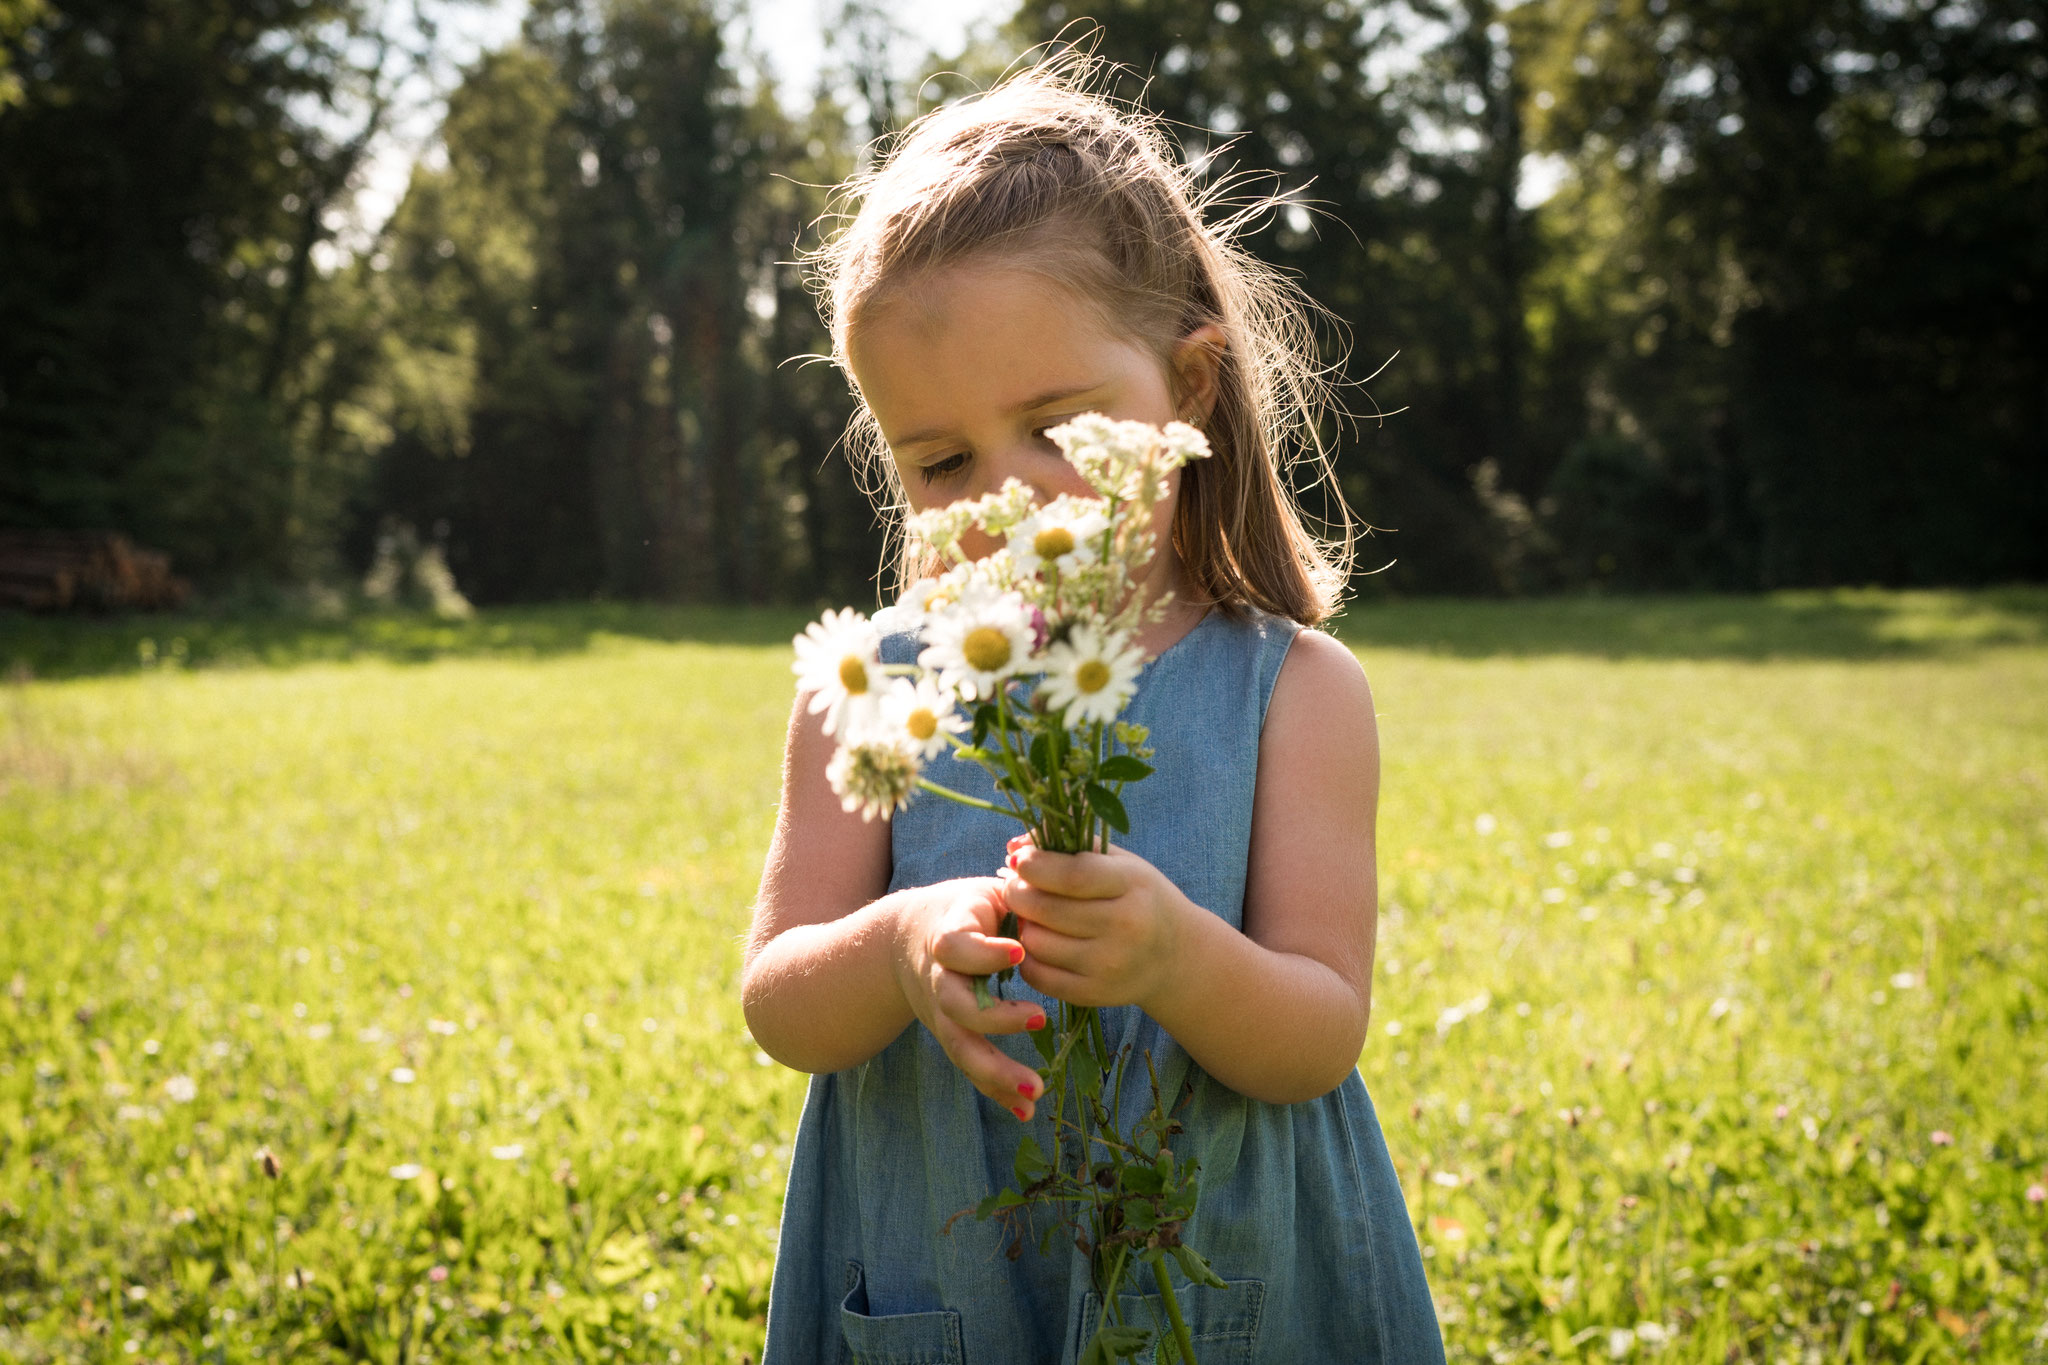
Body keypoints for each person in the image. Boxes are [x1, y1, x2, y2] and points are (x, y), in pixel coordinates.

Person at [742, 56, 1445, 1365]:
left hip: (1222, 1279)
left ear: (1183, 392)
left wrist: (1179, 958)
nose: (1007, 499)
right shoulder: (876, 687)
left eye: (1059, 429)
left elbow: (1318, 1031)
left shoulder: (1293, 691)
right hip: (941, 1272)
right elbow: (779, 999)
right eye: (941, 461)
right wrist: (900, 942)